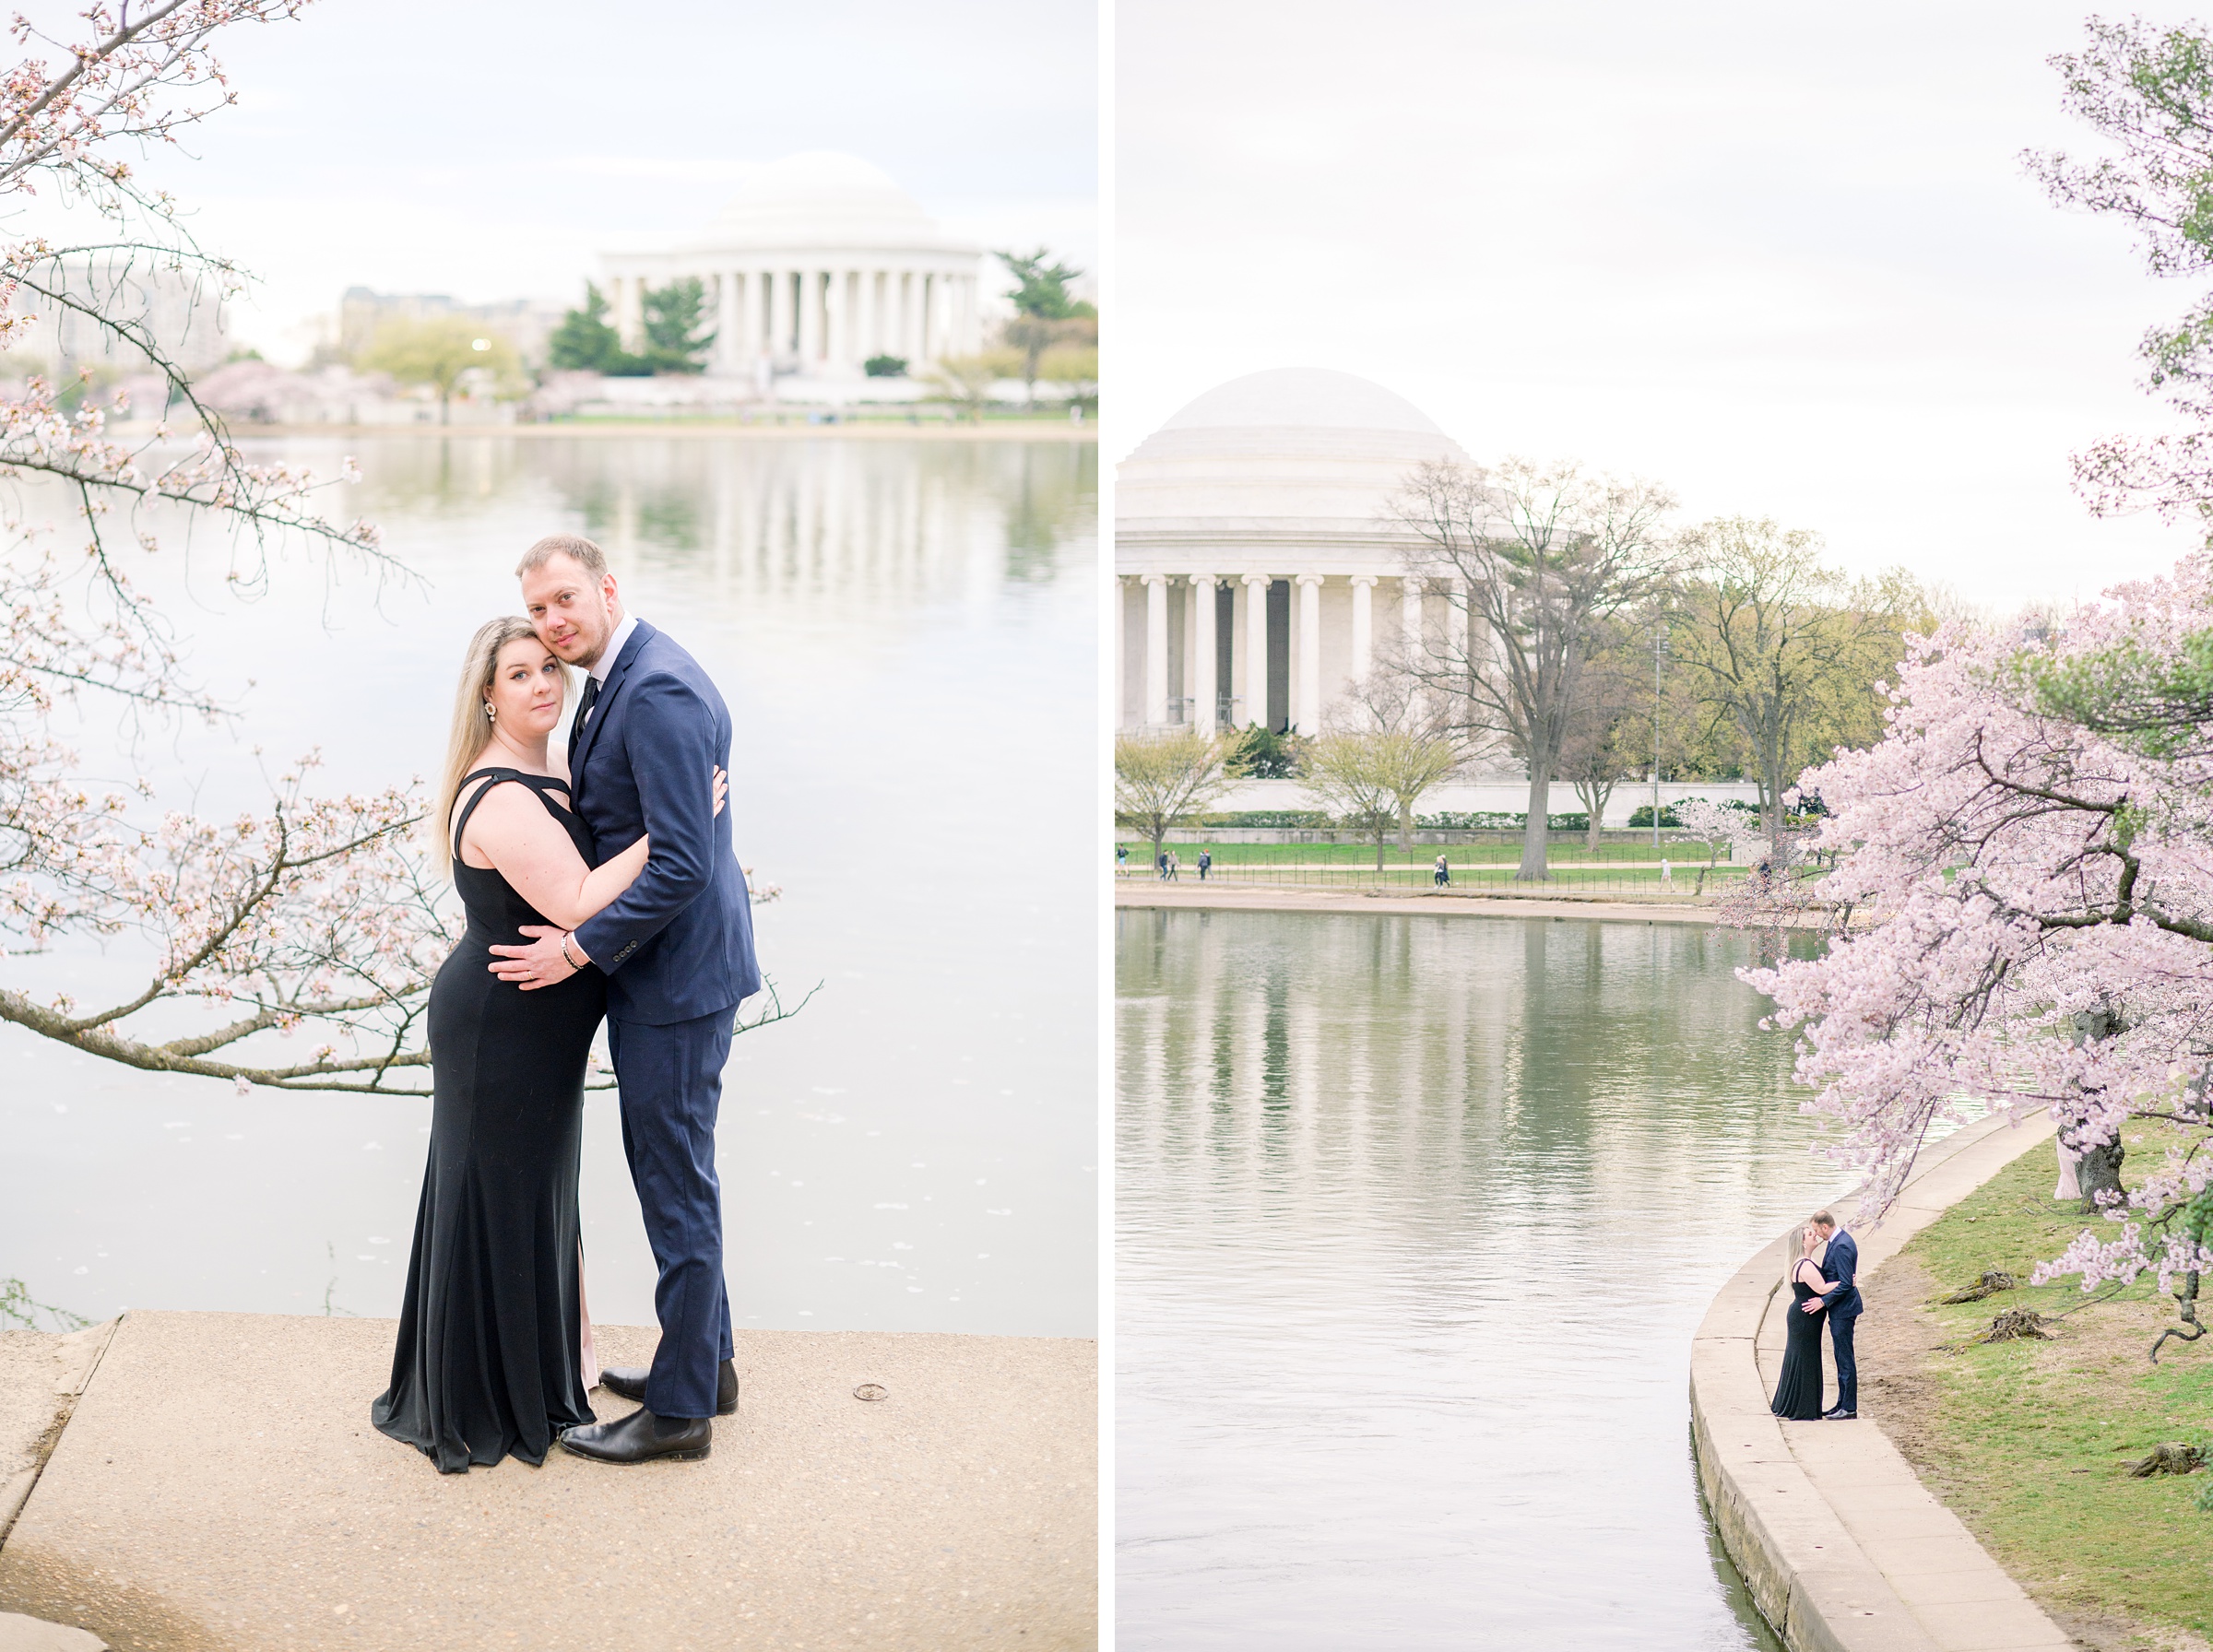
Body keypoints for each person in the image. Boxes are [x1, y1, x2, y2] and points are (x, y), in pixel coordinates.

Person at [371, 617, 728, 1473]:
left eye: (547, 670)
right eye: (519, 675)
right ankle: (484, 1398)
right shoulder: (499, 794)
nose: (542, 685)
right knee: (500, 1197)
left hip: (541, 1026)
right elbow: (573, 901)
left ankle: (545, 1373)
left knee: (535, 1198)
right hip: (503, 1025)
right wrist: (676, 827)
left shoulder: (552, 768)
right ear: (487, 695)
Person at [486, 534, 763, 1466]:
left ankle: (682, 1414)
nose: (555, 623)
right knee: (677, 1174)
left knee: (674, 1184)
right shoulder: (620, 675)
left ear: (607, 587)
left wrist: (576, 948)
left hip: (676, 984)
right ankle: (708, 1363)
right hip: (665, 975)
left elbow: (684, 861)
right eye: (538, 612)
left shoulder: (660, 689)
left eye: (566, 600)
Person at [1769, 1220, 1840, 1421]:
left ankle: (1793, 1402)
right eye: (1810, 1235)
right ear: (1802, 1243)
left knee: (1801, 1357)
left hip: (1803, 1317)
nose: (1815, 1235)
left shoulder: (1802, 1263)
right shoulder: (1804, 1265)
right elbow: (1822, 1289)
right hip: (1805, 1319)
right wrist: (1845, 1281)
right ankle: (1802, 1407)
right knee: (1805, 1359)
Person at [1808, 1210, 1863, 1419]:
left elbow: (1846, 1284)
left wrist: (1823, 1301)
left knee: (1844, 1358)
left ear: (1824, 1226)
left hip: (1844, 1310)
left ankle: (1849, 1408)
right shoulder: (1837, 1240)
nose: (1816, 1235)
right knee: (1840, 1357)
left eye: (1816, 1230)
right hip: (1841, 1309)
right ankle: (1841, 1403)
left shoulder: (1841, 1245)